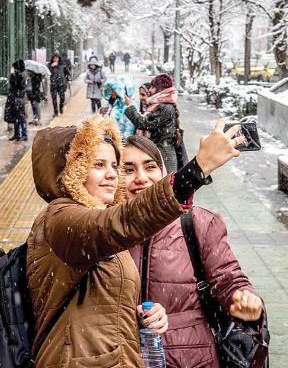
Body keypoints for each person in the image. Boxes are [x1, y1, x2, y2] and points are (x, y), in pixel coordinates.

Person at [27, 114, 247, 367]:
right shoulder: (61, 218)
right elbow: (116, 225)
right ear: (70, 172)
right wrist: (197, 170)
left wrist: (146, 316)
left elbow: (100, 306)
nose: (112, 175)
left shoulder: (100, 218)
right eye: (98, 164)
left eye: (114, 165)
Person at [125, 135, 267, 368]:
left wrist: (243, 298)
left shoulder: (197, 222)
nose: (141, 178)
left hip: (192, 357)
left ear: (163, 173)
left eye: (150, 166)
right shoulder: (105, 232)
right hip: (123, 356)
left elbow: (228, 277)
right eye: (128, 169)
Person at [124, 73, 187, 171]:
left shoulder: (166, 107)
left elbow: (144, 124)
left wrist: (130, 107)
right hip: (161, 151)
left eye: (153, 87)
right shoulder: (160, 105)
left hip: (165, 154)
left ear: (160, 89)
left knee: (165, 183)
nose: (150, 90)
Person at [4, 60, 28, 141]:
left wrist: (13, 75)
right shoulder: (17, 75)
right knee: (16, 117)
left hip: (18, 99)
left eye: (14, 67)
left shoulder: (20, 76)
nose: (12, 69)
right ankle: (17, 134)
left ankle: (24, 134)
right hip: (15, 99)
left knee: (21, 118)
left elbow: (17, 85)